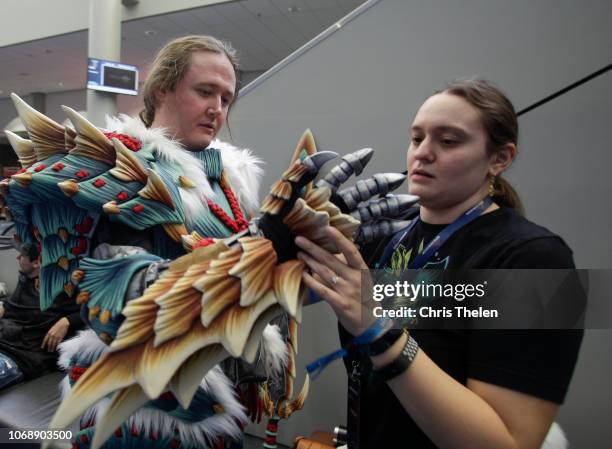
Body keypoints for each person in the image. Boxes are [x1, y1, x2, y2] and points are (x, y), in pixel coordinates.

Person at [296, 79, 584, 449]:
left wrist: (378, 329)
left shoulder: (540, 259)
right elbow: (276, 298)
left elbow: (509, 443)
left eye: (448, 141)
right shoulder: (382, 237)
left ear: (500, 158)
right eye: (417, 139)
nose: (423, 153)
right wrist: (285, 235)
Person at [0, 243, 83, 390]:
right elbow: (16, 303)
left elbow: (96, 309)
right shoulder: (27, 278)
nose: (18, 257)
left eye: (23, 255)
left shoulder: (63, 289)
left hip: (21, 356)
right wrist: (4, 306)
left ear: (37, 262)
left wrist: (67, 321)